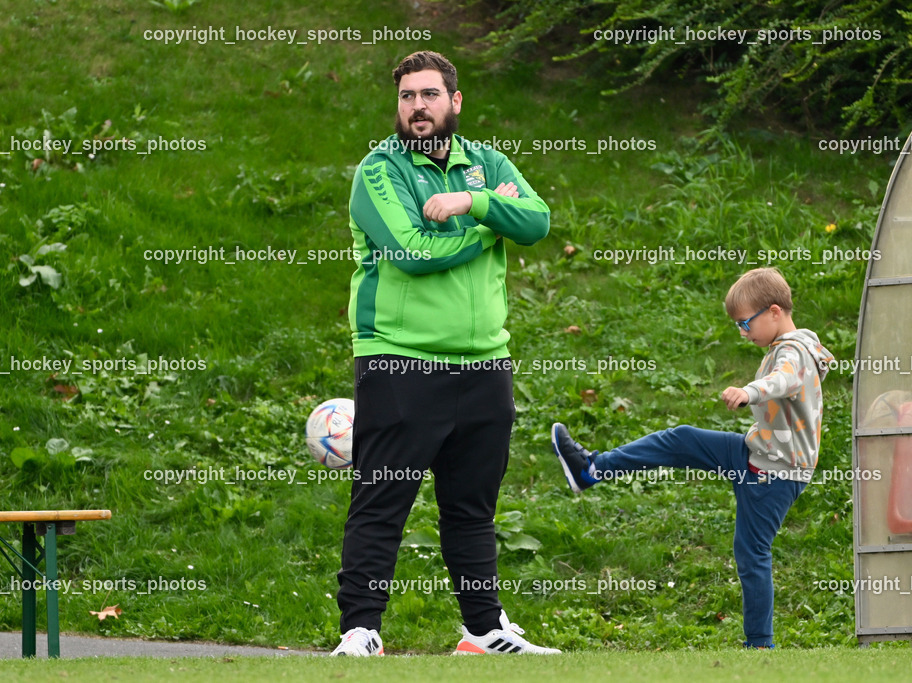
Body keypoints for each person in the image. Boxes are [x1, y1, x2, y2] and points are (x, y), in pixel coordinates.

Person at [332, 50, 559, 656]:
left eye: (429, 94)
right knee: (382, 501)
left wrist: (473, 203)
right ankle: (361, 630)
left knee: (472, 508)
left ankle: (484, 631)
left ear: (454, 101)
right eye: (407, 96)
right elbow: (412, 251)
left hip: (484, 362)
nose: (417, 107)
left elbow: (537, 221)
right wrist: (490, 225)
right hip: (400, 360)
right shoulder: (379, 170)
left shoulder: (487, 163)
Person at [552, 266, 834, 648]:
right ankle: (590, 470)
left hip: (776, 473)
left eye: (745, 323)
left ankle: (760, 645)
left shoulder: (793, 351)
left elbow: (782, 379)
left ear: (773, 312)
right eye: (738, 325)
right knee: (680, 439)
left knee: (752, 552)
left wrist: (750, 391)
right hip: (754, 452)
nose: (742, 332)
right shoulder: (789, 345)